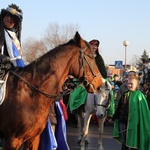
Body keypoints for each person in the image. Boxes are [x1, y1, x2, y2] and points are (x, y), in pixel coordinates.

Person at [111, 75, 150, 150]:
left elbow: (144, 113)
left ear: (137, 84)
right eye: (128, 83)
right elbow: (119, 107)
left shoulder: (140, 96)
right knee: (124, 143)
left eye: (131, 84)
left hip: (135, 125)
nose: (129, 85)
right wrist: (113, 117)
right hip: (124, 122)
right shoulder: (124, 94)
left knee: (134, 144)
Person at [0, 3, 24, 68]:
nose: (9, 18)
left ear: (15, 22)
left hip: (12, 69)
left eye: (12, 17)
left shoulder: (15, 38)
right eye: (7, 16)